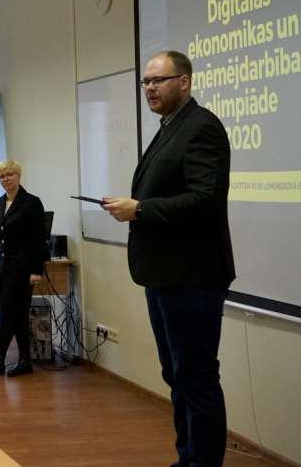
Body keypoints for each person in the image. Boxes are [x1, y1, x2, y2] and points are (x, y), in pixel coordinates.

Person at [104, 50, 233, 467]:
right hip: (163, 275)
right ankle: (187, 458)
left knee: (196, 378)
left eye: (158, 80)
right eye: (145, 81)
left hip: (193, 277)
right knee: (176, 376)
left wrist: (139, 209)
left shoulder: (201, 127)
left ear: (185, 81)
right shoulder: (169, 128)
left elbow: (205, 199)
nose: (149, 88)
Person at [0, 159, 48, 378]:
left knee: (9, 313)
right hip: (3, 268)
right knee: (16, 315)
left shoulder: (31, 202)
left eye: (10, 174)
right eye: (2, 176)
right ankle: (25, 361)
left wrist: (37, 270)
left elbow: (39, 240)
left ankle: (0, 359)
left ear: (18, 176)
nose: (6, 179)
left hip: (23, 269)